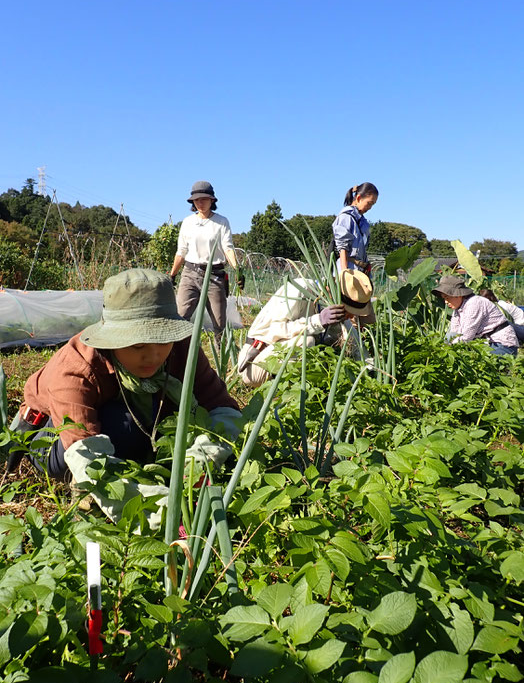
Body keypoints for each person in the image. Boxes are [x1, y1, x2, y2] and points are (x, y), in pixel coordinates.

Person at [9, 269, 242, 526]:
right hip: (51, 437)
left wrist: (201, 460)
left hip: (121, 419)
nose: (153, 356)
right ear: (112, 340)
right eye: (138, 346)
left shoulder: (182, 347)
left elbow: (223, 407)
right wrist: (157, 509)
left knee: (163, 418)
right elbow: (83, 452)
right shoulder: (75, 367)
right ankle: (91, 493)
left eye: (162, 341)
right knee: (124, 425)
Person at [237, 270, 373, 386]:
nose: (350, 316)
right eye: (349, 310)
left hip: (280, 360)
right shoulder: (299, 289)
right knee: (306, 342)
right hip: (255, 363)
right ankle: (277, 395)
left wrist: (371, 370)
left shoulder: (335, 310)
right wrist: (317, 321)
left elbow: (354, 342)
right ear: (333, 293)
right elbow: (271, 331)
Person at [169, 181, 243, 344]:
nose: (200, 203)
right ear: (193, 202)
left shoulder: (221, 222)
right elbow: (181, 251)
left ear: (212, 200)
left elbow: (228, 248)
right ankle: (177, 357)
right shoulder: (188, 222)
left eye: (204, 199)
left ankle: (221, 359)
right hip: (190, 273)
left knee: (219, 322)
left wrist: (238, 270)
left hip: (214, 275)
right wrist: (172, 275)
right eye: (196, 200)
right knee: (181, 316)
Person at [432, 276, 519, 356]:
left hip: (502, 344)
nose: (445, 302)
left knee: (486, 369)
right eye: (444, 298)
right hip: (487, 344)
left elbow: (466, 337)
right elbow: (453, 333)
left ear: (458, 295)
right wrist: (443, 347)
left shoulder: (474, 303)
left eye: (447, 297)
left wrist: (446, 351)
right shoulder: (458, 309)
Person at [332, 182, 379, 325]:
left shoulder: (361, 221)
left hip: (360, 273)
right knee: (349, 318)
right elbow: (342, 248)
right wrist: (345, 274)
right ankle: (348, 344)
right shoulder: (346, 217)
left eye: (373, 204)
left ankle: (363, 344)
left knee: (366, 320)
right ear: (358, 198)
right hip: (349, 274)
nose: (370, 207)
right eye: (369, 203)